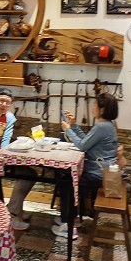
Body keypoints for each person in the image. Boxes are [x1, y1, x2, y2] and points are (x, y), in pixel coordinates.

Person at [46, 92, 120, 240]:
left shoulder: (102, 127)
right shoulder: (108, 125)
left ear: (102, 109)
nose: (93, 107)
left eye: (95, 105)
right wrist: (73, 125)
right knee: (66, 180)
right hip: (103, 171)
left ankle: (68, 226)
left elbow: (82, 146)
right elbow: (87, 141)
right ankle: (70, 218)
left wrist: (68, 129)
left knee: (67, 185)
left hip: (97, 174)